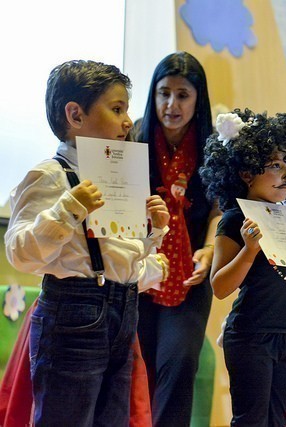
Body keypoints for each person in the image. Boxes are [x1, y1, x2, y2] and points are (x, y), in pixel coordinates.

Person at [4, 60, 170, 426]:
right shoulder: (50, 174)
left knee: (111, 418)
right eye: (116, 109)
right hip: (74, 311)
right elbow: (20, 252)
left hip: (122, 311)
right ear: (75, 115)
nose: (128, 122)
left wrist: (152, 234)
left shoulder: (119, 174)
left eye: (126, 109)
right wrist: (68, 210)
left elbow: (118, 257)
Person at [200, 109, 286, 426]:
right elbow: (219, 286)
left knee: (277, 421)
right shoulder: (234, 219)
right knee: (251, 420)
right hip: (250, 336)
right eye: (275, 166)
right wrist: (249, 250)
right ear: (246, 173)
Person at [132, 51, 219, 426]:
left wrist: (212, 247)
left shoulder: (213, 147)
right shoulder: (134, 136)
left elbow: (219, 208)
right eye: (163, 93)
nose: (171, 104)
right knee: (139, 365)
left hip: (190, 274)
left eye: (182, 95)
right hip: (135, 271)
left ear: (198, 99)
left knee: (180, 361)